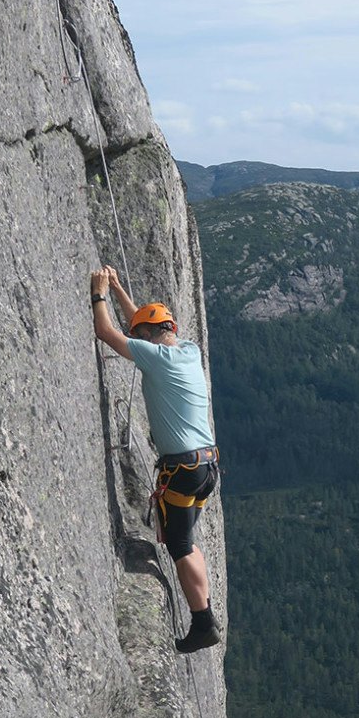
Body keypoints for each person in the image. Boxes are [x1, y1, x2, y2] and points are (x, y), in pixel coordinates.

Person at [90, 264, 220, 654]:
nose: (138, 339)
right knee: (187, 539)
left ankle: (202, 621)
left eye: (141, 336)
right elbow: (140, 324)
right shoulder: (187, 351)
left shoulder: (156, 357)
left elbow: (108, 332)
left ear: (149, 336)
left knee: (180, 544)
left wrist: (99, 294)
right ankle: (205, 612)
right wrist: (118, 287)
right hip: (206, 466)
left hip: (182, 469)